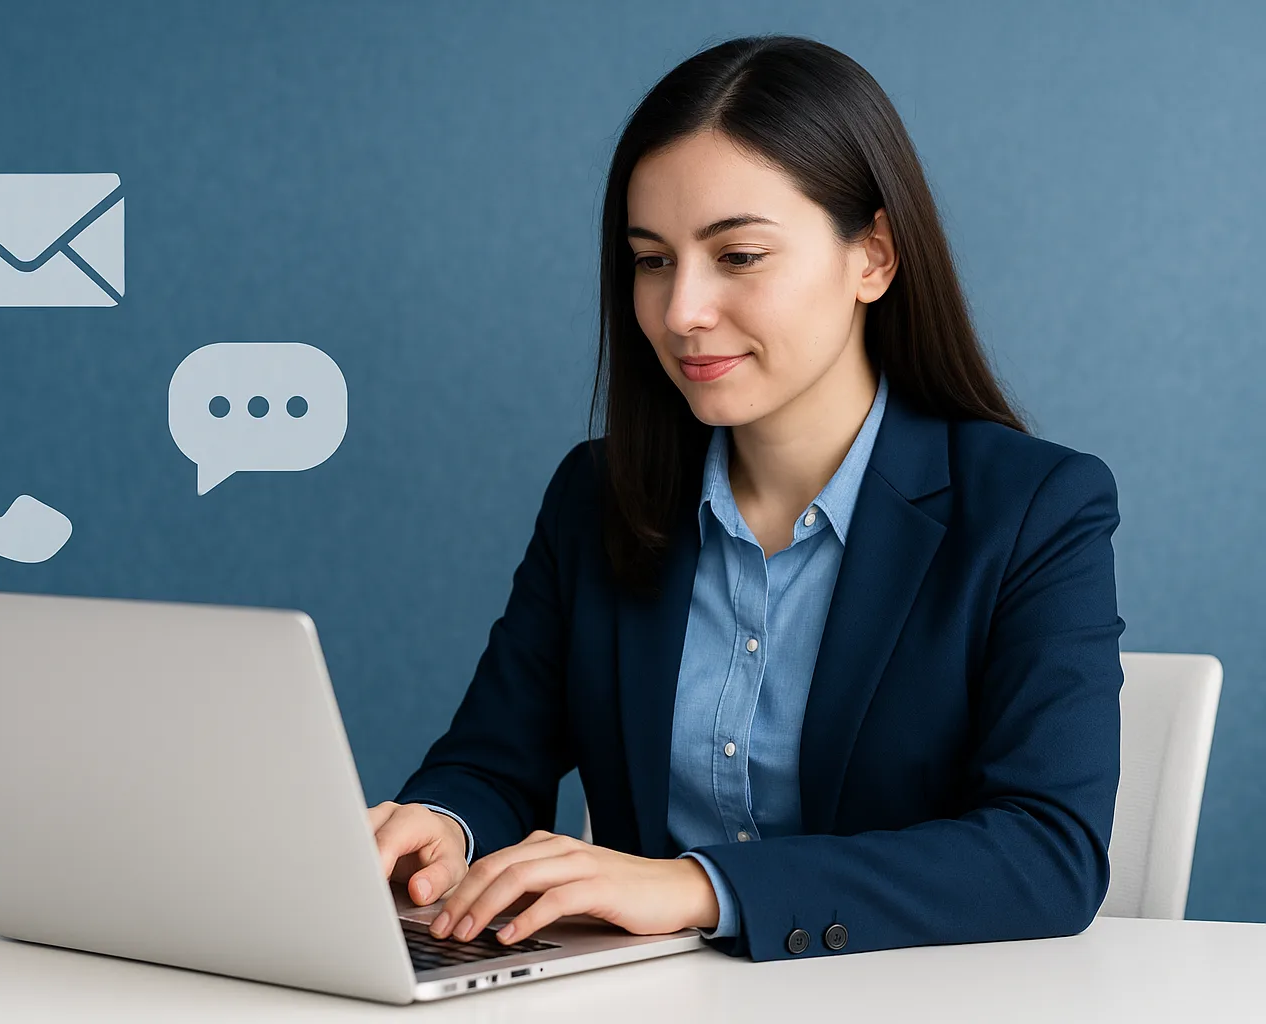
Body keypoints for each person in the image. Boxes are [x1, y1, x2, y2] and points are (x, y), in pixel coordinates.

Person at [367, 33, 1125, 962]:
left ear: (873, 258)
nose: (681, 310)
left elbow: (1046, 854)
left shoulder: (1034, 508)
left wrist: (698, 887)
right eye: (652, 260)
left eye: (738, 255)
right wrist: (443, 825)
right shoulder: (597, 493)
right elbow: (491, 760)